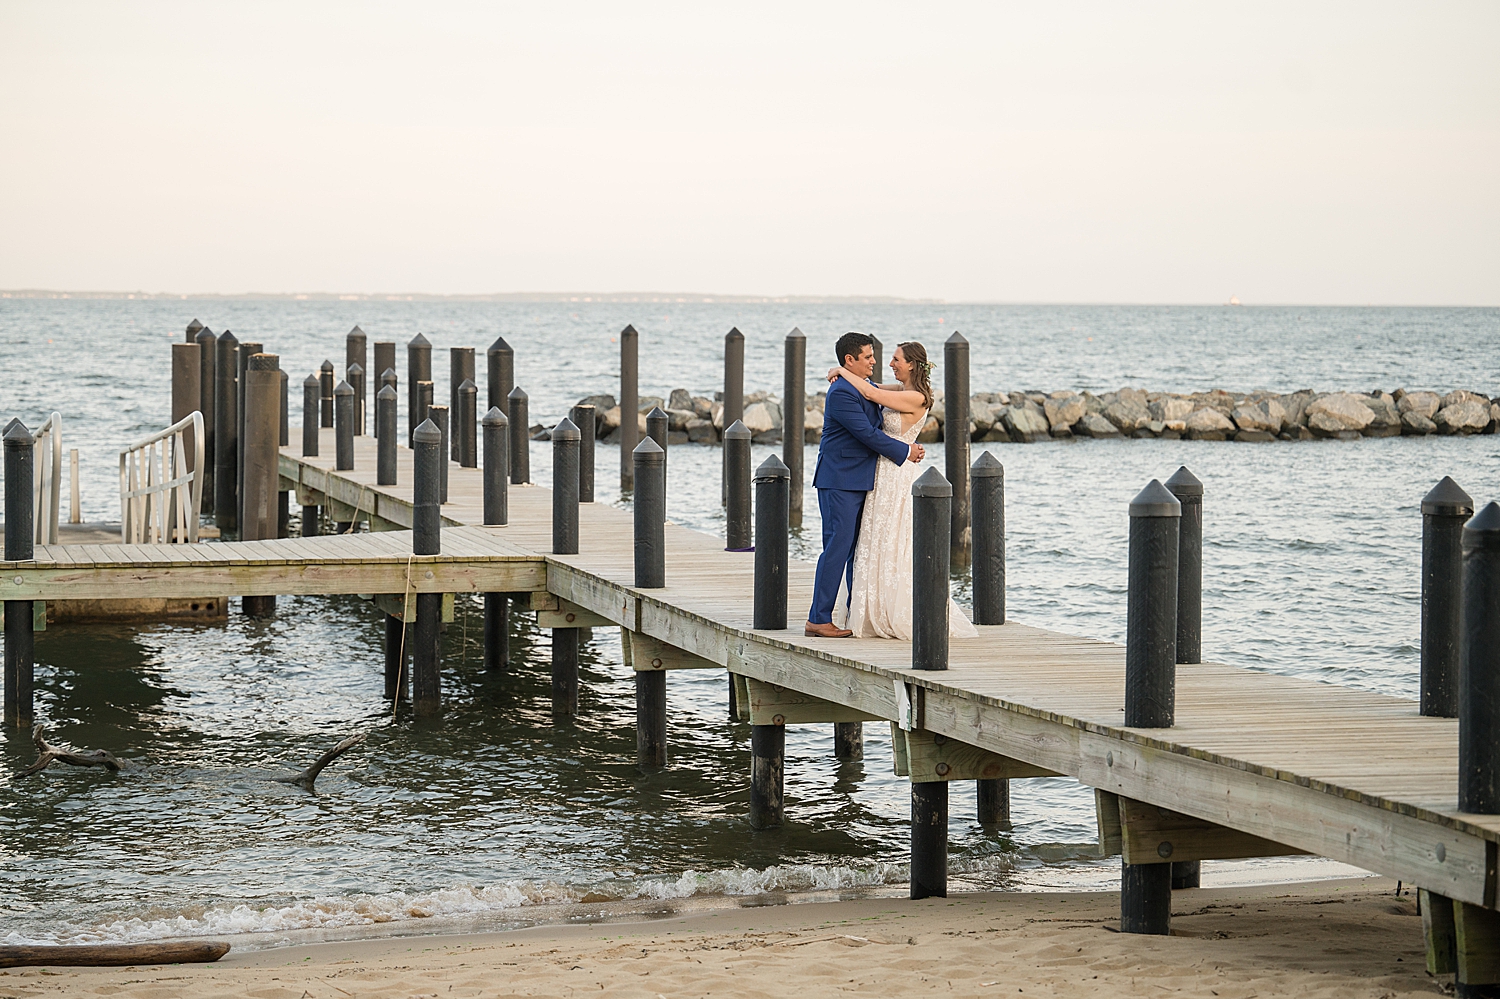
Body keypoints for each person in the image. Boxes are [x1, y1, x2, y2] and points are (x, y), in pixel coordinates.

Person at [826, 341, 978, 640]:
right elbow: (870, 383)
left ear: (911, 365)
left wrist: (842, 371)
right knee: (874, 539)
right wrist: (840, 371)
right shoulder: (899, 390)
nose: (890, 364)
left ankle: (888, 610)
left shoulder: (916, 397)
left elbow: (869, 392)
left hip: (896, 472)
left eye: (896, 360)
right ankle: (869, 605)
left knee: (892, 539)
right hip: (880, 471)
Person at [805, 332, 925, 638]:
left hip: (863, 479)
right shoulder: (842, 392)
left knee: (858, 551)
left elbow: (878, 398)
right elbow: (866, 434)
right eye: (868, 357)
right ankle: (818, 618)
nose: (875, 361)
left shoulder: (862, 385)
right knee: (837, 547)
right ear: (850, 359)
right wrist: (906, 451)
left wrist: (843, 371)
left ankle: (852, 613)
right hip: (840, 480)